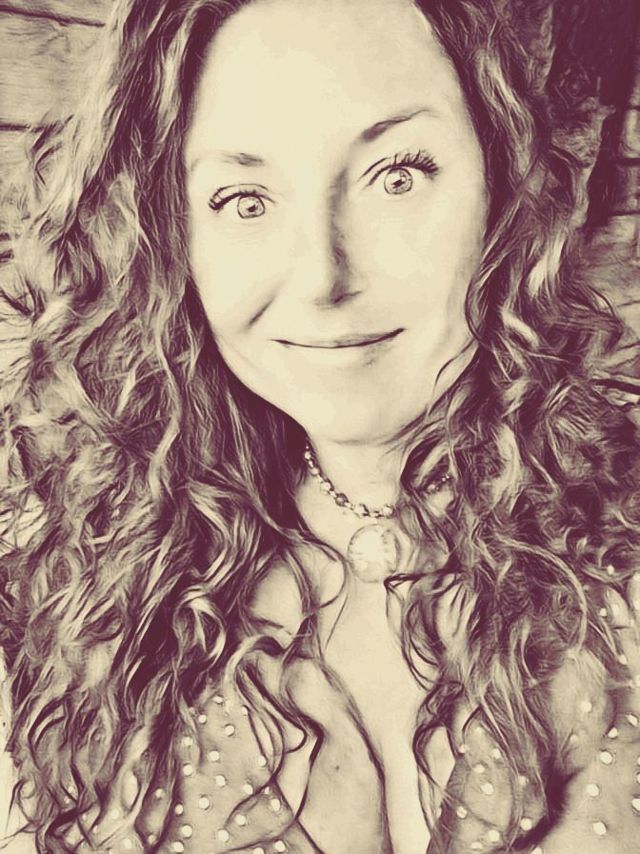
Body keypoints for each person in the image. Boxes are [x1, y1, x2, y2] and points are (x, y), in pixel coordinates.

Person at [0, 0, 639, 851]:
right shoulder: (81, 597)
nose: (322, 279)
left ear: (505, 189)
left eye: (397, 175)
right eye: (244, 199)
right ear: (169, 239)